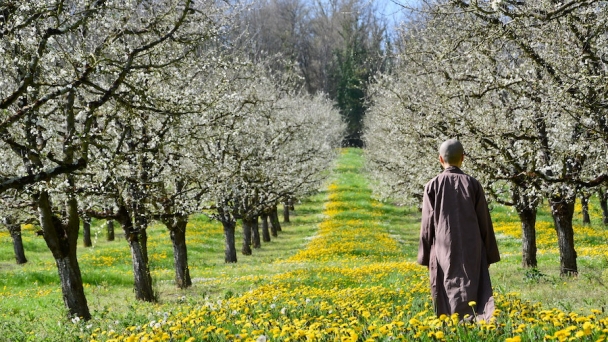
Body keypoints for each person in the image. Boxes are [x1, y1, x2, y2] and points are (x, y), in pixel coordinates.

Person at [417, 139, 500, 322]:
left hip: (442, 247)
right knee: (474, 285)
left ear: (440, 159)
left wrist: (424, 255)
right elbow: (484, 221)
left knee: (445, 285)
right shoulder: (473, 184)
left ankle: (451, 323)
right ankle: (475, 322)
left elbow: (426, 225)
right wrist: (489, 253)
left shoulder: (432, 186)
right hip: (472, 246)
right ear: (463, 158)